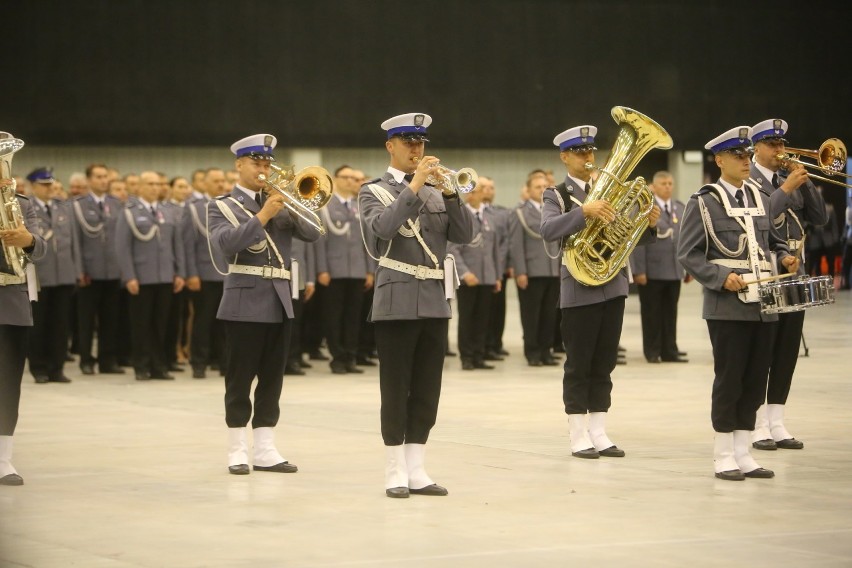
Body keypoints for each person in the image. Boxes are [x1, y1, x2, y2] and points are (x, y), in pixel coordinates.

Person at [359, 113, 475, 498]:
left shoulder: (436, 190)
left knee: (427, 389)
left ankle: (418, 468)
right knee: (396, 388)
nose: (417, 149)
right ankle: (394, 469)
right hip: (395, 298)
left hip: (433, 300)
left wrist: (452, 195)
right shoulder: (371, 191)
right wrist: (417, 184)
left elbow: (465, 235)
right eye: (408, 142)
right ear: (390, 146)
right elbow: (381, 231)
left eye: (421, 142)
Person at [678, 126, 797, 480]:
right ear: (719, 160)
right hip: (728, 306)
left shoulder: (761, 197)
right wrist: (719, 277)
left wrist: (785, 257)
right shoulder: (705, 201)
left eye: (748, 156)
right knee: (730, 379)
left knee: (756, 378)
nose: (746, 162)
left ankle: (744, 451)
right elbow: (688, 253)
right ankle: (723, 453)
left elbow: (772, 243)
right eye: (739, 156)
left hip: (764, 305)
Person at [541, 125, 660, 460]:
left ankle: (600, 430)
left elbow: (630, 236)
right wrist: (583, 212)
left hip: (613, 285)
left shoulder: (613, 190)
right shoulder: (557, 195)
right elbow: (548, 230)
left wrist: (649, 224)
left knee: (605, 361)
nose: (588, 157)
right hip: (579, 286)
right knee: (579, 362)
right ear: (565, 157)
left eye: (591, 151)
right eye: (580, 152)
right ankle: (578, 433)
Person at [207, 134, 322, 475]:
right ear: (239, 164)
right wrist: (262, 215)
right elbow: (225, 245)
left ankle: (266, 447)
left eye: (267, 162)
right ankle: (237, 448)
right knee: (240, 378)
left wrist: (290, 204)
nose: (262, 168)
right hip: (243, 299)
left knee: (273, 378)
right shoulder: (222, 205)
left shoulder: (279, 199)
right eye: (255, 162)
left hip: (280, 297)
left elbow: (314, 233)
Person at [748, 119, 828, 451]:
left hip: (795, 273)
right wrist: (785, 189)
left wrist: (805, 183)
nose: (780, 151)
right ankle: (756, 423)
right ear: (756, 148)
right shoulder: (747, 180)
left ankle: (777, 419)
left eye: (782, 144)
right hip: (765, 273)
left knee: (787, 350)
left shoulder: (788, 178)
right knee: (762, 351)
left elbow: (820, 218)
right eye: (772, 145)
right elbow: (758, 218)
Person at [1, 148, 48, 486]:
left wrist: (27, 239)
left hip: (10, 303)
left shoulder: (23, 203)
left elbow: (43, 249)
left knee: (7, 384)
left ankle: (3, 458)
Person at [115, 171, 186, 381]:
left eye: (158, 184)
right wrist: (129, 276)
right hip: (141, 277)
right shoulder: (129, 212)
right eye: (150, 184)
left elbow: (177, 244)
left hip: (165, 276)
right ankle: (141, 365)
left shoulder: (167, 211)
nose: (155, 188)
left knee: (160, 324)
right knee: (140, 324)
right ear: (140, 187)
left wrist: (179, 272)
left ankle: (159, 365)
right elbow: (122, 247)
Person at [315, 165, 375, 374]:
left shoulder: (360, 207)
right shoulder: (325, 207)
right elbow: (320, 241)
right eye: (346, 177)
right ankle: (337, 357)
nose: (351, 181)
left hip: (357, 270)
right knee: (334, 317)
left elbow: (367, 242)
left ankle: (351, 355)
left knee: (353, 316)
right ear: (335, 179)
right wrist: (322, 269)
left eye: (354, 178)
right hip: (334, 271)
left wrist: (369, 270)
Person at [629, 171, 691, 363]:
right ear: (654, 187)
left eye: (670, 183)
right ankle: (652, 351)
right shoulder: (645, 208)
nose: (667, 186)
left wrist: (688, 268)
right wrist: (639, 270)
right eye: (663, 183)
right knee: (651, 314)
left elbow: (686, 240)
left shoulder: (679, 208)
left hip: (674, 270)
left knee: (670, 313)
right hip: (652, 271)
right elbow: (637, 241)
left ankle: (669, 350)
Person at [25, 167, 79, 384]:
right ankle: (38, 368)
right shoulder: (26, 207)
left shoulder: (63, 208)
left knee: (60, 324)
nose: (49, 189)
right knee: (39, 324)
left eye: (51, 184)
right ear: (33, 186)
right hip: (40, 275)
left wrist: (76, 271)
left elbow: (74, 243)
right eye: (44, 185)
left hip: (63, 275)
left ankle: (57, 368)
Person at [73, 163, 126, 375]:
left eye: (105, 176)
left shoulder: (116, 204)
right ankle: (86, 359)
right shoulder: (78, 205)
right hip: (90, 271)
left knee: (110, 318)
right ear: (89, 180)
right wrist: (79, 269)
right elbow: (75, 240)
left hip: (112, 270)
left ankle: (107, 359)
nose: (104, 180)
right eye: (98, 177)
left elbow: (122, 239)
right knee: (86, 319)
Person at [448, 179, 502, 370]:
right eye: (469, 192)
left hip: (487, 276)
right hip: (469, 278)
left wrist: (497, 276)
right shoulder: (461, 217)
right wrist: (464, 273)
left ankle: (479, 355)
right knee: (467, 319)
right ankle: (467, 357)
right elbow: (453, 248)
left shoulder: (488, 217)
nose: (472, 195)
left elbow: (494, 249)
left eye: (476, 191)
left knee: (483, 319)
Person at [509, 172, 561, 367]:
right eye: (538, 187)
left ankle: (546, 351)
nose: (542, 190)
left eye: (545, 187)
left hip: (552, 270)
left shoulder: (554, 211)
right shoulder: (520, 212)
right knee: (532, 315)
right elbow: (516, 244)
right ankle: (532, 352)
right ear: (529, 190)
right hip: (531, 271)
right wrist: (520, 271)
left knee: (550, 314)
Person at [183, 168, 229, 379]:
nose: (221, 184)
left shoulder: (231, 205)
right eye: (216, 181)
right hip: (204, 273)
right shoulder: (194, 209)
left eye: (223, 181)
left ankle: (223, 361)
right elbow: (188, 245)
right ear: (205, 184)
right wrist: (191, 273)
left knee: (226, 322)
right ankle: (199, 362)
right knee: (203, 320)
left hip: (229, 274)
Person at [480, 176, 512, 360]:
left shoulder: (501, 214)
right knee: (483, 311)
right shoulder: (470, 211)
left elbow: (505, 241)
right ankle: (482, 346)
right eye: (484, 187)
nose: (488, 191)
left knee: (498, 310)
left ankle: (495, 343)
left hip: (498, 269)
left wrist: (500, 265)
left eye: (491, 188)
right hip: (479, 269)